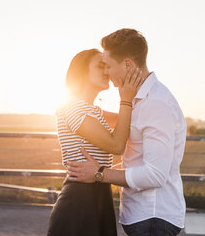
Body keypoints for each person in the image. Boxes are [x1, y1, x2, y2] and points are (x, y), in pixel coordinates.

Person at [66, 29, 187, 236]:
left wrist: (99, 173)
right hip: (144, 217)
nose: (108, 73)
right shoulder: (138, 101)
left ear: (128, 65)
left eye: (109, 66)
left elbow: (155, 175)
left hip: (154, 219)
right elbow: (138, 160)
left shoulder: (155, 104)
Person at [47, 48, 143, 236]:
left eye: (108, 66)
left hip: (98, 194)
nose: (107, 71)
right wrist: (126, 98)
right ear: (82, 72)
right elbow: (116, 145)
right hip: (80, 200)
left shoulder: (93, 111)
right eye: (101, 66)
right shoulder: (72, 107)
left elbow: (130, 120)